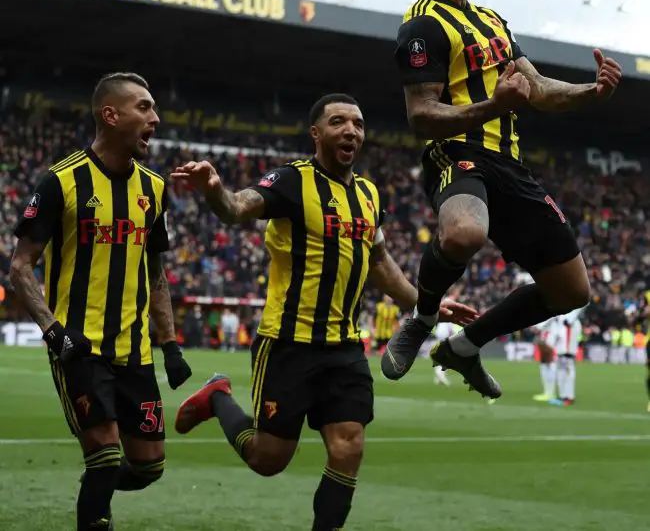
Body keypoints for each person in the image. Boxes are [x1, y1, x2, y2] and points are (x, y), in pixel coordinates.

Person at [171, 94, 477, 531]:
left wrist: (422, 303)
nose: (350, 130)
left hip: (345, 348)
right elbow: (238, 208)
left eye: (357, 123)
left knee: (348, 448)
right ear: (316, 133)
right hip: (288, 343)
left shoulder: (370, 194)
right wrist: (213, 189)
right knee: (268, 459)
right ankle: (218, 396)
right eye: (338, 122)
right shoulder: (292, 181)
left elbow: (378, 262)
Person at [382, 0, 622, 397]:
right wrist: (493, 105)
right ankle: (423, 318)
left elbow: (535, 88)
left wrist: (589, 91)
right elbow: (422, 116)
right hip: (458, 153)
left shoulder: (492, 22)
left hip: (510, 166)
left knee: (572, 291)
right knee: (466, 231)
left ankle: (466, 347)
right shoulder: (424, 26)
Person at [9, 72, 192, 531]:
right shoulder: (61, 181)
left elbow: (156, 274)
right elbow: (20, 267)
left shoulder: (154, 189)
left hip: (136, 353)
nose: (156, 117)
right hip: (80, 347)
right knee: (106, 456)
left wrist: (170, 346)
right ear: (111, 115)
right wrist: (55, 333)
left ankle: (95, 488)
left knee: (149, 466)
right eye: (145, 108)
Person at [549, 307, 584, 406]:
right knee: (561, 372)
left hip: (567, 349)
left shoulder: (571, 317)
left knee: (568, 372)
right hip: (561, 348)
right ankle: (563, 395)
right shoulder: (563, 316)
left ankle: (569, 397)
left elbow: (570, 320)